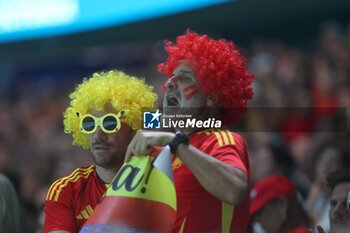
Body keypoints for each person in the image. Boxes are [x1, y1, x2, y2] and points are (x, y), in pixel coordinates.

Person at [125, 30, 254, 232]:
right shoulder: (169, 153)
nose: (169, 83)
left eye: (184, 78)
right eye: (171, 77)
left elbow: (235, 189)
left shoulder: (222, 139)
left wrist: (173, 142)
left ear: (211, 97)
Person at [43, 70, 157, 233]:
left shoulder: (161, 182)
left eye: (110, 123)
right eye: (89, 124)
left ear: (135, 128)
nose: (98, 135)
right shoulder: (67, 190)